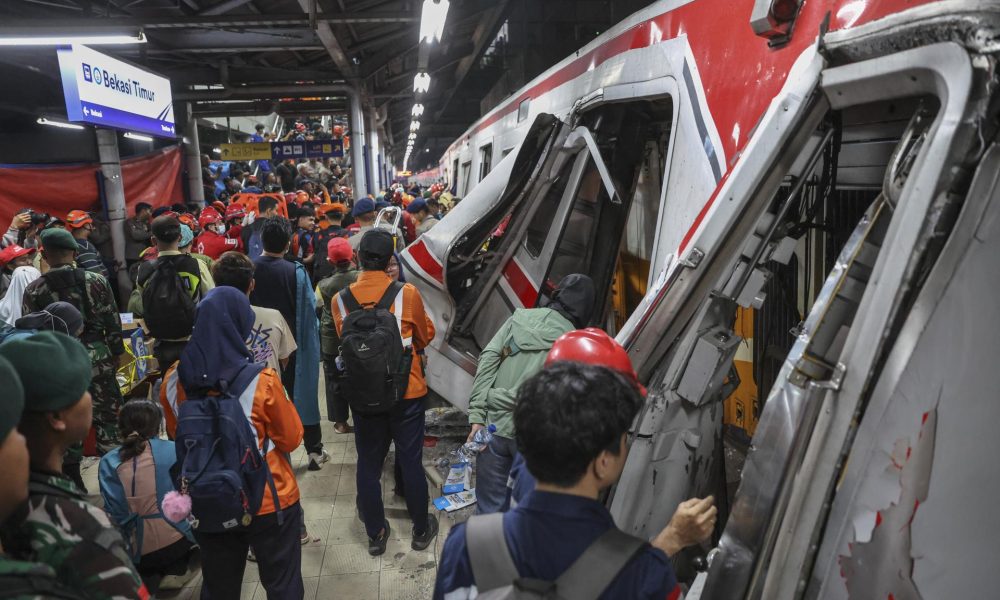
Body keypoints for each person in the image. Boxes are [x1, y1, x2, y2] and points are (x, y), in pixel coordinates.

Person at [434, 362, 717, 599]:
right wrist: (672, 539)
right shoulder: (646, 575)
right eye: (623, 439)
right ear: (603, 462)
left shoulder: (465, 545)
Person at [160, 287, 305, 600]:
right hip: (268, 497)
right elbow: (292, 438)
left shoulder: (173, 380)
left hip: (207, 497)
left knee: (219, 587)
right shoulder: (261, 380)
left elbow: (176, 436)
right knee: (283, 585)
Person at [0, 332, 148, 599]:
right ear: (57, 417)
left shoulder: (16, 499)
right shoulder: (80, 529)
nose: (90, 397)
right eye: (83, 389)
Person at [332, 229, 437, 556]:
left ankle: (376, 534)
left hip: (364, 393)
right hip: (407, 391)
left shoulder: (340, 300)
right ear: (390, 258)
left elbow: (346, 342)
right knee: (410, 459)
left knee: (368, 463)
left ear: (358, 257)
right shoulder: (406, 293)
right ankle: (420, 529)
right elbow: (425, 335)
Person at [466, 273, 595, 514]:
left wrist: (477, 416)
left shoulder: (518, 318)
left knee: (488, 510)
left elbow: (487, 361)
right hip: (534, 438)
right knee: (528, 512)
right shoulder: (576, 343)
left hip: (493, 427)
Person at [22, 228, 126, 490]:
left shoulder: (34, 290)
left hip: (61, 362)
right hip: (98, 357)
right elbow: (112, 321)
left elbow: (33, 332)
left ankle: (74, 481)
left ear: (45, 255)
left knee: (67, 419)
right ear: (75, 252)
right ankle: (116, 479)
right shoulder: (96, 280)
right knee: (108, 417)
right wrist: (116, 352)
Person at [249, 218, 325, 470]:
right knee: (302, 394)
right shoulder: (296, 271)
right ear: (287, 243)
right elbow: (308, 311)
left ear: (262, 240)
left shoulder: (248, 268)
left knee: (265, 399)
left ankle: (273, 452)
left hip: (259, 346)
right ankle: (314, 450)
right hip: (293, 348)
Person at [98, 400, 198, 594]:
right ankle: (178, 568)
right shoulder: (173, 450)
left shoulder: (108, 462)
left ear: (121, 427)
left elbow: (115, 512)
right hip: (177, 539)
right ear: (157, 425)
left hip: (136, 552)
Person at [213, 251, 297, 374]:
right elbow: (284, 360)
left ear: (216, 286)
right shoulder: (274, 317)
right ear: (252, 284)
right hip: (266, 385)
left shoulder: (208, 322)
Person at [315, 237, 358, 434]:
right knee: (361, 375)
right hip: (358, 335)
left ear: (330, 261)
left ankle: (340, 423)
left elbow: (317, 305)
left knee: (334, 380)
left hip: (332, 340)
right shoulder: (361, 278)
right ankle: (363, 417)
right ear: (353, 256)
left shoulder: (323, 285)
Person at [0, 301, 84, 345]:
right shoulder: (27, 342)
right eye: (73, 332)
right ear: (62, 326)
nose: (73, 338)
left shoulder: (35, 335)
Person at [65, 210, 110, 279]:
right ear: (85, 225)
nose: (92, 226)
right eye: (90, 223)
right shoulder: (85, 247)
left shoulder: (72, 242)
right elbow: (96, 275)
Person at [311, 203, 350, 282]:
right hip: (344, 277)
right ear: (343, 216)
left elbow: (314, 250)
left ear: (326, 217)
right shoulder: (349, 235)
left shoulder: (318, 234)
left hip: (323, 278)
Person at [125, 202, 153, 268]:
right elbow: (136, 236)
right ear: (143, 211)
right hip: (134, 257)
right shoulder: (129, 222)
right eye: (149, 211)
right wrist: (152, 232)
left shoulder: (147, 223)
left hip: (146, 255)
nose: (150, 214)